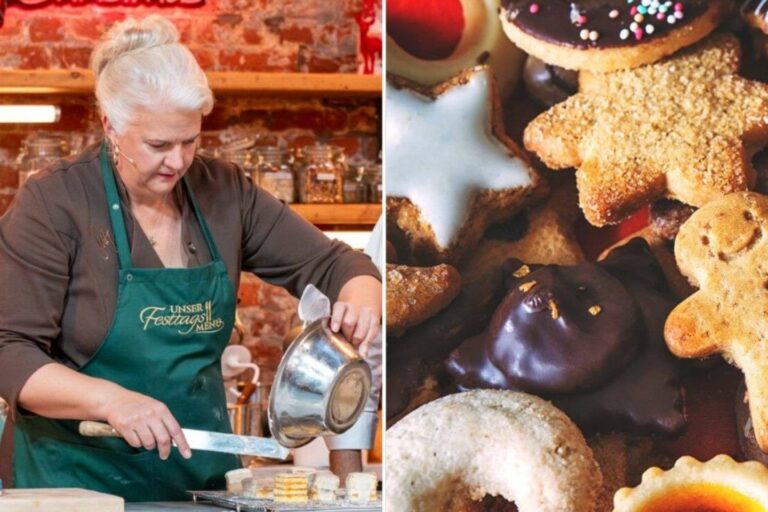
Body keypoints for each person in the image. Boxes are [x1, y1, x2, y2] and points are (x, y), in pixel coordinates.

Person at [0, 15, 381, 501]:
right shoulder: (54, 203)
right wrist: (110, 401)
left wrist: (360, 298)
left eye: (190, 141)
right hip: (75, 486)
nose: (179, 162)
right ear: (110, 126)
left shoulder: (223, 191)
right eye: (158, 144)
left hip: (199, 483)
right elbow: (9, 351)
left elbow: (337, 265)